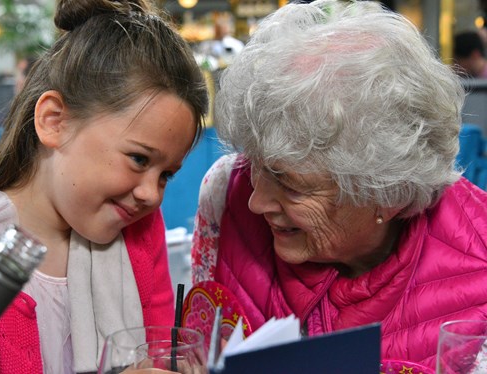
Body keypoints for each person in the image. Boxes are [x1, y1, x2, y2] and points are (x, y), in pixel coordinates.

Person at [191, 0, 487, 371]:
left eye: (289, 183)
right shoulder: (224, 194)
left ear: (387, 193)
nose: (256, 201)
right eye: (256, 165)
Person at [0, 0, 208, 373]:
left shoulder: (141, 231)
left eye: (165, 175)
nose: (151, 195)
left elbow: (155, 352)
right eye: (139, 159)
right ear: (54, 121)